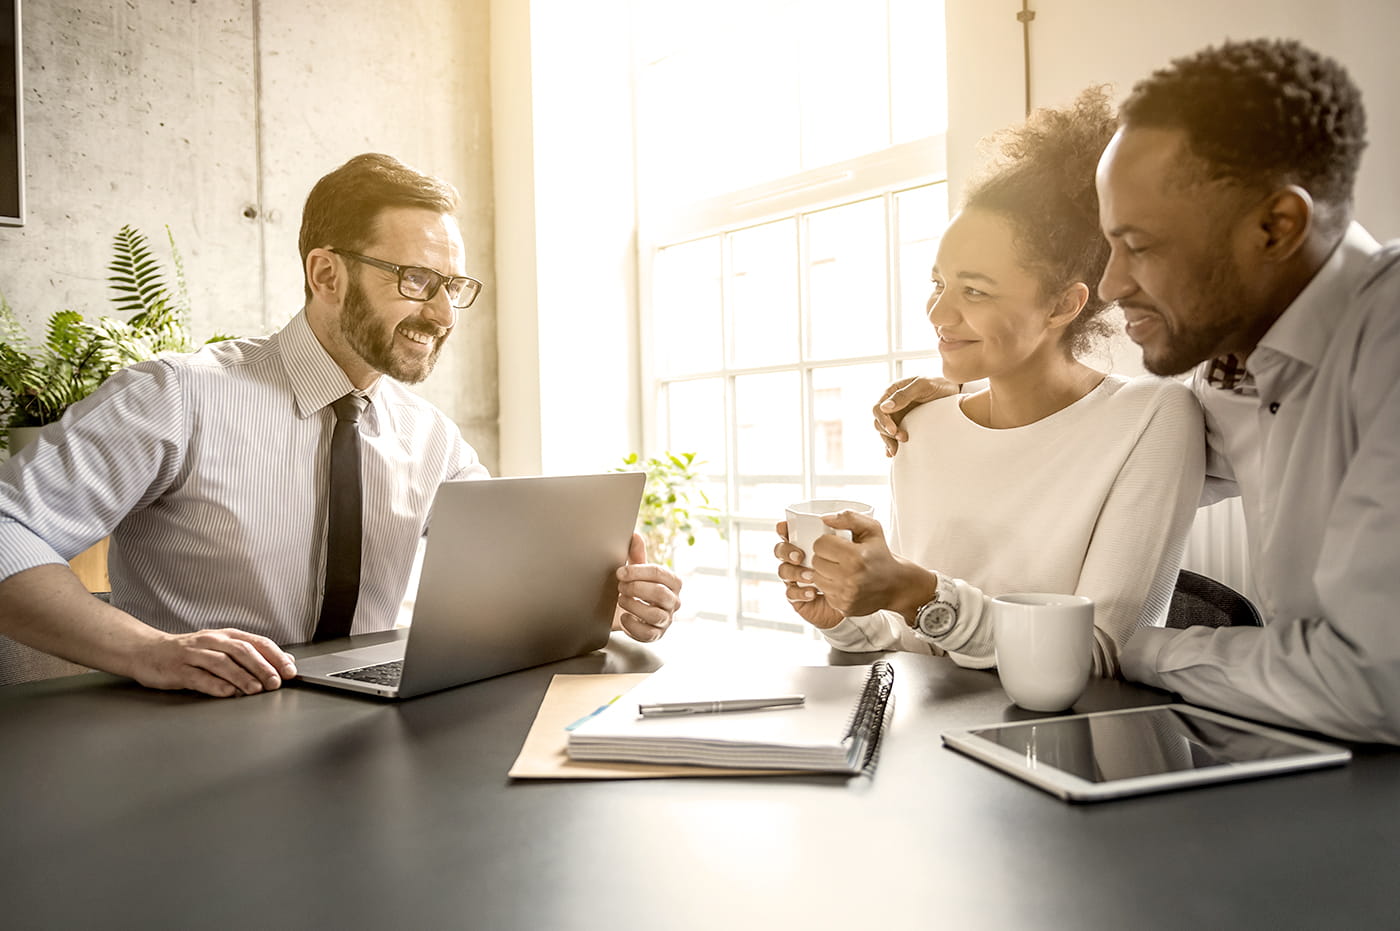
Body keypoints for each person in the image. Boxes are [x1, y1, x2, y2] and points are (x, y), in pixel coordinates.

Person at [0, 153, 682, 698]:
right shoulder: (178, 396)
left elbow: (513, 584)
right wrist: (148, 650)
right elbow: (8, 529)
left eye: (454, 287)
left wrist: (608, 605)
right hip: (186, 733)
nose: (442, 316)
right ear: (326, 274)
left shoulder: (431, 439)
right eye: (417, 280)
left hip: (366, 734)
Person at [876, 39, 1400, 745]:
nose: (1115, 285)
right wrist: (979, 400)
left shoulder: (1385, 346)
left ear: (1277, 226)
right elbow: (1097, 436)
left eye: (1141, 245)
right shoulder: (1236, 377)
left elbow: (1371, 684)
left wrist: (1131, 644)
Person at [773, 90, 1205, 677]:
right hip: (925, 750)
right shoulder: (920, 425)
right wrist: (845, 613)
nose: (938, 314)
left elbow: (1100, 654)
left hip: (1062, 750)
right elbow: (914, 643)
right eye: (938, 284)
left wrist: (916, 593)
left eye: (974, 291)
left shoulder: (1152, 417)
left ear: (1063, 304)